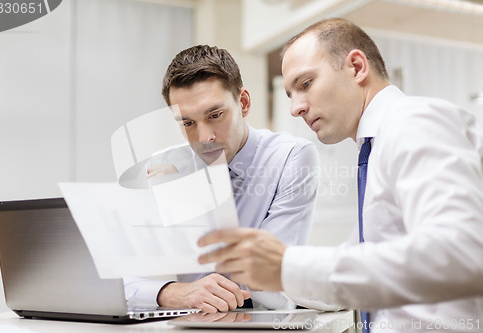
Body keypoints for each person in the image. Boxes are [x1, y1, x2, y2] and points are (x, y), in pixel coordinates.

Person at [198, 18, 483, 332]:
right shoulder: (375, 148)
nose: (295, 108)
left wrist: (287, 265)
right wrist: (273, 272)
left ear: (357, 67)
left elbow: (461, 252)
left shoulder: (414, 122)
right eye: (290, 94)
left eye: (305, 84)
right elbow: (361, 262)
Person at [124, 45, 320, 313]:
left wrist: (195, 209)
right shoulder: (162, 166)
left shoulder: (291, 158)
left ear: (244, 103)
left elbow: (273, 287)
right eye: (187, 123)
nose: (205, 138)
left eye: (215, 116)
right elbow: (121, 279)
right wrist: (171, 293)